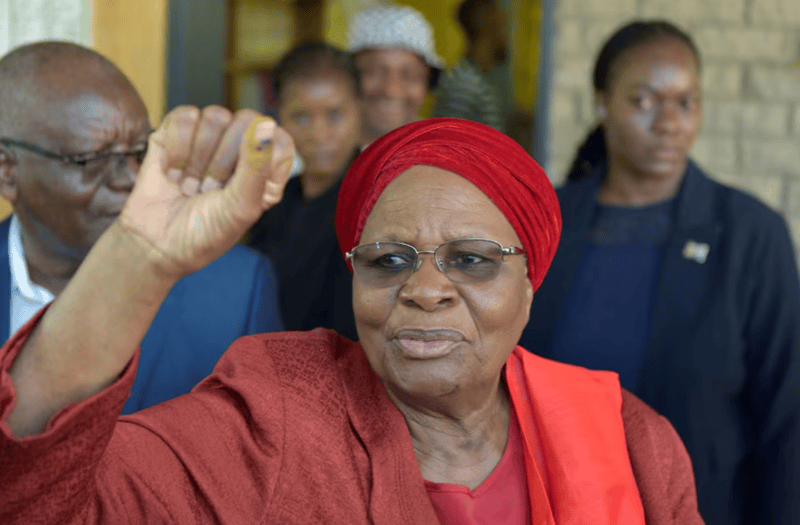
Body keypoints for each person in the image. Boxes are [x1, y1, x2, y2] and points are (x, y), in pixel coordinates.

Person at [0, 115, 704, 524]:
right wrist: (141, 258)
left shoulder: (631, 440)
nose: (425, 290)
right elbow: (35, 499)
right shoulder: (277, 414)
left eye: (472, 260)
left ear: (529, 283)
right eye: (389, 260)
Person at [519, 20, 800, 525]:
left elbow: (787, 417)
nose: (670, 122)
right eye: (644, 101)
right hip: (556, 507)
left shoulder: (750, 234)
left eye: (686, 102)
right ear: (603, 103)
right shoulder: (547, 224)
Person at [0, 41, 284, 414]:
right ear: (7, 171)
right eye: (90, 160)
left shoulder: (235, 292)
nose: (132, 179)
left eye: (139, 153)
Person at [246, 41, 360, 340]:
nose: (319, 135)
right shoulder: (274, 202)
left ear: (360, 111)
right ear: (279, 116)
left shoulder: (375, 203)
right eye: (302, 117)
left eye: (334, 115)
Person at [348, 4, 444, 146]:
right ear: (347, 75)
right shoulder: (311, 157)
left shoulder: (439, 154)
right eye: (375, 72)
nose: (391, 91)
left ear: (428, 82)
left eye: (410, 76)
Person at [433, 0, 507, 131]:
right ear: (490, 28)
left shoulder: (478, 80)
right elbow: (451, 142)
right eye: (503, 25)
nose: (506, 34)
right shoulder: (464, 85)